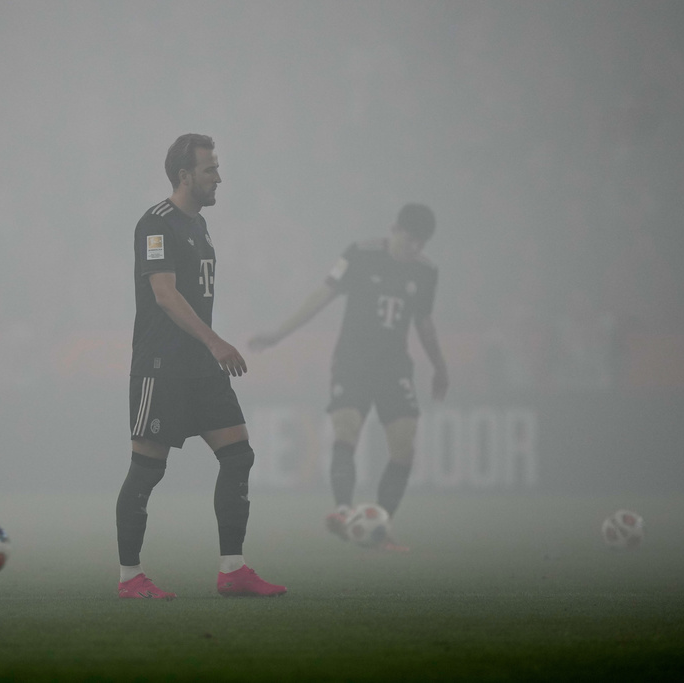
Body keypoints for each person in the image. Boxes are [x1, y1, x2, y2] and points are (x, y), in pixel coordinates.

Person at [116, 134, 286, 599]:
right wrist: (215, 341)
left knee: (238, 455)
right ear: (185, 174)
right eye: (210, 169)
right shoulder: (156, 223)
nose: (218, 177)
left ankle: (232, 570)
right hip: (161, 365)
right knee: (147, 469)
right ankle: (131, 578)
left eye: (216, 167)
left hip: (199, 367)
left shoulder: (199, 225)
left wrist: (208, 348)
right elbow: (165, 294)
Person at [250, 204, 448, 551]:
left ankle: (380, 525)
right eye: (408, 239)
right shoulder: (360, 255)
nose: (413, 248)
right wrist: (278, 334)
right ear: (394, 229)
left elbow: (424, 323)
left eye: (420, 243)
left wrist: (440, 366)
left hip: (394, 367)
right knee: (347, 427)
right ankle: (343, 511)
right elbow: (322, 295)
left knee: (404, 444)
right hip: (353, 361)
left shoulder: (426, 272)